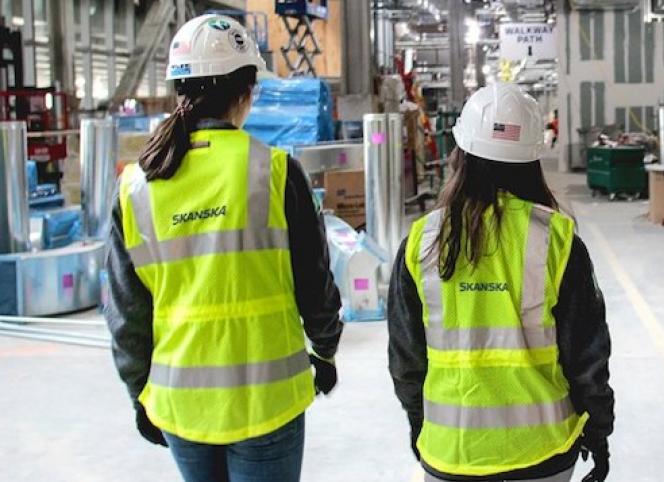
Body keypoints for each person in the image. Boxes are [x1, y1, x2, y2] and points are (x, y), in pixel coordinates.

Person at [104, 15, 343, 482]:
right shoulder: (275, 172)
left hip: (182, 404)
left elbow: (127, 312)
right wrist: (326, 349)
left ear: (179, 88)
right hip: (266, 400)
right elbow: (314, 283)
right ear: (248, 89)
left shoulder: (135, 187)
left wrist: (140, 393)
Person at [388, 83, 614, 482]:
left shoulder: (421, 242)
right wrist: (597, 432)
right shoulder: (557, 239)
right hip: (543, 451)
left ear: (461, 154)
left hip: (451, 454)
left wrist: (420, 427)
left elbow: (407, 361)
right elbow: (587, 356)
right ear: (532, 159)